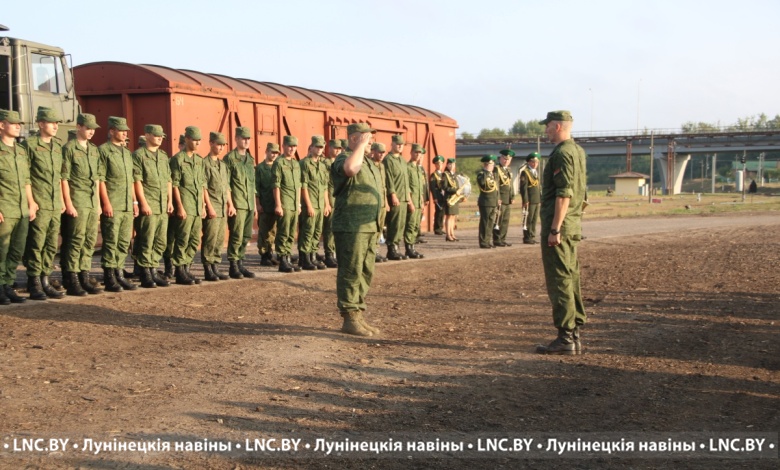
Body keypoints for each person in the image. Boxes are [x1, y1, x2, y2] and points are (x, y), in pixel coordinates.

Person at [535, 110, 588, 355]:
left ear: (557, 126)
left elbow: (563, 194)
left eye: (547, 126)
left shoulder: (563, 153)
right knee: (571, 278)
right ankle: (573, 335)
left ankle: (565, 337)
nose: (545, 130)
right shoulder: (577, 151)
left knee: (560, 280)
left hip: (561, 227)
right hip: (572, 225)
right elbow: (581, 194)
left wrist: (555, 228)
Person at [331, 123, 383, 336]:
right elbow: (351, 170)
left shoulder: (369, 163)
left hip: (369, 226)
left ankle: (358, 314)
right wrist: (360, 146)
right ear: (354, 139)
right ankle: (349, 316)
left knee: (365, 271)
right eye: (366, 137)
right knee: (351, 270)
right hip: (351, 226)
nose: (371, 141)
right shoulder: (343, 159)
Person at [61, 113, 109, 295]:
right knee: (75, 240)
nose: (91, 132)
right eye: (88, 128)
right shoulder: (69, 149)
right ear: (78, 127)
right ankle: (72, 278)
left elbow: (96, 179)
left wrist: (97, 203)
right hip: (77, 200)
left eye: (93, 129)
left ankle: (84, 275)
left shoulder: (94, 150)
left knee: (89, 240)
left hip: (90, 201)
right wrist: (69, 203)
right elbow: (64, 179)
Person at [0, 109, 38, 304]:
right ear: (1, 125)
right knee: (1, 249)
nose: (18, 126)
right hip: (5, 207)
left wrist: (31, 203)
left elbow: (26, 180)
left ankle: (8, 283)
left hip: (22, 208)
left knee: (16, 250)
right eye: (13, 123)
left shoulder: (20, 151)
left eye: (19, 124)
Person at [98, 116, 138, 291]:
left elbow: (130, 181)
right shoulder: (104, 151)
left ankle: (119, 273)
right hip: (113, 203)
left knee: (123, 241)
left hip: (127, 204)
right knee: (111, 240)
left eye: (125, 131)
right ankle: (109, 276)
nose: (124, 134)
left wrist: (134, 201)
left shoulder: (126, 153)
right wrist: (106, 203)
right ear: (111, 131)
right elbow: (101, 180)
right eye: (121, 130)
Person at [132, 124, 173, 288]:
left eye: (161, 136)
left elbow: (168, 180)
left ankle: (154, 269)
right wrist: (142, 203)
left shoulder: (163, 156)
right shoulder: (139, 155)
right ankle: (146, 273)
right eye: (156, 135)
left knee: (160, 241)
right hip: (149, 204)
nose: (160, 138)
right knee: (146, 240)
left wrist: (170, 201)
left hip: (162, 204)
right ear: (147, 135)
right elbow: (137, 181)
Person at [169, 126, 206, 285]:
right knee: (182, 239)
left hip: (197, 206)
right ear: (187, 140)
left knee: (193, 240)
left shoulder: (199, 160)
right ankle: (179, 271)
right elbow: (175, 185)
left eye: (199, 140)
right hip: (185, 205)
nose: (197, 143)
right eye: (195, 140)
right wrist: (180, 207)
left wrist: (204, 205)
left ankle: (186, 268)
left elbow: (203, 185)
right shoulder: (178, 159)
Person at [201, 131, 235, 281]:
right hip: (213, 205)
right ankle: (208, 268)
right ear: (211, 143)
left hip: (222, 206)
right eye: (218, 144)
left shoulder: (222, 165)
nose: (221, 147)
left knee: (220, 238)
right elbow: (204, 187)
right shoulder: (204, 163)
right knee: (210, 237)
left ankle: (215, 266)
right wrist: (209, 206)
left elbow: (226, 187)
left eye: (223, 145)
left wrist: (231, 204)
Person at [224, 126, 256, 279]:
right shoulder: (230, 158)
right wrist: (230, 204)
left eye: (248, 138)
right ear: (236, 139)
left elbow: (252, 184)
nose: (246, 141)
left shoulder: (250, 159)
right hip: (237, 203)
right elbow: (226, 184)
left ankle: (241, 262)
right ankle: (233, 265)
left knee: (246, 235)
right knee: (236, 235)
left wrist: (255, 205)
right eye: (243, 138)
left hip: (249, 203)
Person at [298, 135, 331, 270]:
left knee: (317, 232)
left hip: (320, 204)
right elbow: (303, 186)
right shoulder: (305, 163)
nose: (319, 149)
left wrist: (327, 204)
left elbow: (324, 187)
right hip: (310, 204)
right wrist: (309, 205)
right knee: (307, 231)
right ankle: (304, 258)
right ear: (311, 148)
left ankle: (312, 256)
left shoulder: (322, 165)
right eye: (316, 146)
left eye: (321, 147)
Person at [273, 135, 302, 273]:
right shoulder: (279, 163)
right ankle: (282, 260)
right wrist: (278, 204)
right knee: (283, 232)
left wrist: (299, 204)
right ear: (283, 146)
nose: (292, 149)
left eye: (294, 146)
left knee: (291, 233)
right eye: (289, 146)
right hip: (285, 202)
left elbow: (299, 185)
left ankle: (288, 258)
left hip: (295, 203)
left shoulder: (296, 164)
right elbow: (276, 185)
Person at [382, 134, 410, 260]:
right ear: (392, 144)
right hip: (396, 197)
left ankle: (397, 246)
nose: (399, 146)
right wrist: (393, 195)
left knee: (401, 224)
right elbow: (389, 179)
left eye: (402, 144)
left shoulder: (403, 161)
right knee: (394, 223)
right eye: (397, 144)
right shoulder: (388, 160)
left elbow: (406, 181)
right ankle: (391, 249)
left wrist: (408, 198)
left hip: (404, 197)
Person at [255, 142, 280, 267]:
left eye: (276, 152)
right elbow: (257, 188)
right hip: (265, 205)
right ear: (266, 151)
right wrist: (258, 204)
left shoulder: (277, 167)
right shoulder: (260, 168)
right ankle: (264, 256)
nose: (274, 154)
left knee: (273, 231)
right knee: (264, 231)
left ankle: (270, 254)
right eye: (272, 152)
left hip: (275, 205)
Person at [320, 139, 341, 268]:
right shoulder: (325, 163)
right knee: (328, 229)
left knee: (335, 229)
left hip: (338, 199)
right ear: (330, 149)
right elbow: (324, 185)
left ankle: (333, 254)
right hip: (329, 199)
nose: (337, 150)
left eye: (339, 148)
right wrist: (327, 203)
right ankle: (328, 255)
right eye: (335, 148)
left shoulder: (340, 162)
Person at [403, 143, 426, 258]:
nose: (418, 155)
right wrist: (410, 202)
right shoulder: (408, 167)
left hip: (418, 201)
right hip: (412, 201)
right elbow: (407, 186)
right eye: (416, 152)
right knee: (410, 225)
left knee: (416, 225)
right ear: (411, 153)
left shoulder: (418, 168)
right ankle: (408, 248)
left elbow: (420, 188)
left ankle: (412, 247)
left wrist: (421, 201)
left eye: (420, 153)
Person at [369, 142, 389, 263]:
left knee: (380, 227)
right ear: (373, 151)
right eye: (379, 152)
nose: (381, 155)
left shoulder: (382, 166)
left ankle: (376, 250)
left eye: (383, 153)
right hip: (373, 202)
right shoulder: (370, 165)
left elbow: (383, 186)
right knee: (372, 227)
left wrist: (386, 202)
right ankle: (371, 251)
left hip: (381, 202)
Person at [493, 149, 515, 247]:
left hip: (507, 199)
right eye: (504, 159)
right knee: (499, 220)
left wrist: (512, 196)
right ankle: (497, 239)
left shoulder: (508, 170)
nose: (506, 161)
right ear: (501, 158)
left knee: (505, 220)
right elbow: (496, 185)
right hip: (501, 198)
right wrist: (498, 198)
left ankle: (503, 238)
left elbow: (510, 185)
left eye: (508, 159)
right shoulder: (497, 169)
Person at [477, 155, 499, 249]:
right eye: (491, 164)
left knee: (491, 222)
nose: (493, 166)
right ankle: (483, 241)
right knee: (485, 222)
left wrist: (498, 199)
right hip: (485, 202)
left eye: (493, 164)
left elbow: (496, 189)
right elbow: (482, 184)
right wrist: (486, 171)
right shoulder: (481, 174)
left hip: (493, 201)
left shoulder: (492, 174)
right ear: (486, 164)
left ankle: (488, 240)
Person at [520, 152, 542, 244]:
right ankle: (527, 237)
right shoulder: (525, 172)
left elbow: (538, 187)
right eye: (533, 162)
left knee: (534, 219)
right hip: (530, 199)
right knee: (528, 219)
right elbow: (523, 188)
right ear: (529, 162)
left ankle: (532, 236)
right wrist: (525, 200)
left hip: (536, 199)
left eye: (537, 162)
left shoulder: (535, 172)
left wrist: (540, 198)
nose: (535, 164)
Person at [441, 158, 461, 241]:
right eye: (450, 164)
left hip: (455, 198)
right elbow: (444, 187)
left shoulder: (454, 175)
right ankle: (448, 235)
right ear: (447, 165)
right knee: (449, 217)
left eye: (453, 164)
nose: (452, 166)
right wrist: (455, 190)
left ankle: (452, 233)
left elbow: (457, 186)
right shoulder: (445, 175)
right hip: (449, 198)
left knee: (453, 216)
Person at [429, 155, 446, 235]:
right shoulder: (433, 175)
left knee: (443, 212)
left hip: (443, 195)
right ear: (435, 165)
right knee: (438, 212)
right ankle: (437, 228)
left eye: (441, 164)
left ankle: (441, 227)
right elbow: (432, 187)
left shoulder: (443, 175)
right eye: (437, 164)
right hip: (438, 195)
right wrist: (434, 197)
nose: (439, 165)